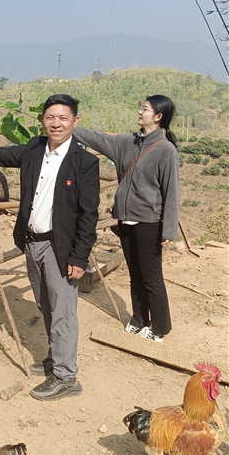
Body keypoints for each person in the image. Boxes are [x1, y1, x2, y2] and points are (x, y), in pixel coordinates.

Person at [0, 94, 100, 401]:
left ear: (74, 122)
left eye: (63, 118)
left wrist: (79, 257)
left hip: (60, 247)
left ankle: (66, 377)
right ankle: (56, 358)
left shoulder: (84, 162)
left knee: (63, 312)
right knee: (46, 305)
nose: (56, 123)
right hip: (33, 243)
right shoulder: (34, 149)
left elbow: (88, 214)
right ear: (44, 120)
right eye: (50, 117)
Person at [73, 95, 179, 343]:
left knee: (151, 277)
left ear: (158, 116)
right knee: (135, 274)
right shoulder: (126, 142)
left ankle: (160, 327)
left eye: (145, 109)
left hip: (149, 223)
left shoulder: (166, 150)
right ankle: (139, 319)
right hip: (126, 220)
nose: (140, 111)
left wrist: (168, 230)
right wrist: (68, 125)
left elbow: (171, 192)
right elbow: (96, 138)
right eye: (141, 107)